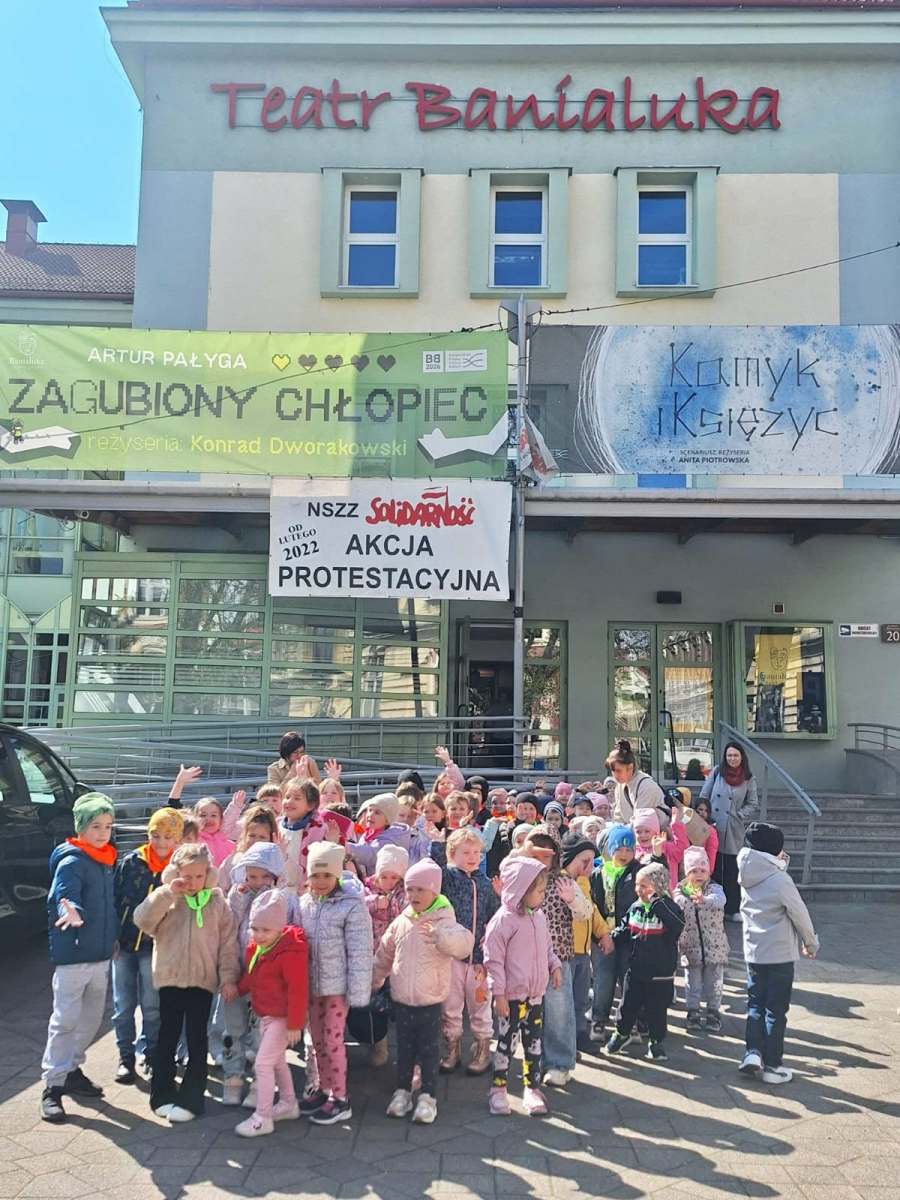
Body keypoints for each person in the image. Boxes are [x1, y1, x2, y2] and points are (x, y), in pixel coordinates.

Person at [134, 842, 240, 1122]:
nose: (192, 882)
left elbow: (228, 945)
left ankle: (192, 1098)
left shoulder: (217, 903)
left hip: (202, 982)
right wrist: (167, 893)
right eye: (186, 875)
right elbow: (142, 920)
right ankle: (162, 1094)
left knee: (196, 1039)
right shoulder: (168, 897)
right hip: (169, 979)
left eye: (198, 876)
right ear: (175, 873)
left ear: (208, 874)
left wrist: (228, 977)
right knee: (167, 1036)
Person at [373, 858, 474, 1125]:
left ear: (434, 891)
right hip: (402, 1001)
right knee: (404, 1050)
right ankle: (403, 1092)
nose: (414, 895)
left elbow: (464, 943)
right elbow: (384, 953)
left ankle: (428, 1097)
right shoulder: (402, 921)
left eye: (421, 889)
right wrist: (374, 979)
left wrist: (442, 937)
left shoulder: (444, 920)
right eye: (410, 889)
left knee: (428, 1051)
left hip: (430, 1000)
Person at [40, 793, 117, 1124]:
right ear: (81, 827)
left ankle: (71, 1070)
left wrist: (114, 936)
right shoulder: (72, 861)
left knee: (91, 1019)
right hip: (73, 956)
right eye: (96, 826)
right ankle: (52, 1086)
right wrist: (69, 910)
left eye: (108, 826)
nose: (102, 833)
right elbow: (65, 895)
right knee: (65, 1020)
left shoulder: (106, 859)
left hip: (100, 955)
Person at [297, 842, 373, 1125]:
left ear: (337, 875)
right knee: (316, 1041)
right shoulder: (304, 903)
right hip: (312, 986)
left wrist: (358, 990)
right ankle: (324, 1088)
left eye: (326, 875)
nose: (320, 881)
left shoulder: (351, 905)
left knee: (332, 1041)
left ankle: (341, 1098)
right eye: (315, 875)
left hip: (337, 989)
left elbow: (360, 950)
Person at [738, 822, 819, 1085]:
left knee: (755, 1005)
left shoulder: (746, 873)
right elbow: (799, 913)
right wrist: (810, 942)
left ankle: (752, 1052)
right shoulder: (779, 879)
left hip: (754, 951)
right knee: (775, 1010)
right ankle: (773, 1066)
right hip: (780, 954)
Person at [483, 856, 561, 1117]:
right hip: (512, 997)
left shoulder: (539, 917)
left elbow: (547, 947)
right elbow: (493, 961)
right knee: (506, 1044)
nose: (542, 896)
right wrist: (498, 994)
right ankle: (498, 1089)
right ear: (521, 890)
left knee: (533, 1043)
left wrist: (554, 965)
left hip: (535, 995)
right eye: (539, 891)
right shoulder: (503, 921)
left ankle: (532, 1088)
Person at [112, 805, 184, 1084]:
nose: (161, 842)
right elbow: (115, 899)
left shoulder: (178, 869)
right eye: (156, 835)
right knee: (123, 1005)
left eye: (168, 837)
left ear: (177, 839)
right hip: (125, 944)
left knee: (152, 1006)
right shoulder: (132, 861)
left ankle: (152, 1053)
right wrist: (113, 937)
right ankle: (125, 1057)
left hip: (156, 948)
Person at [234, 890, 308, 1137]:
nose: (259, 935)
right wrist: (237, 989)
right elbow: (251, 976)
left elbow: (298, 990)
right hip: (266, 1015)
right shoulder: (257, 948)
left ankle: (262, 1117)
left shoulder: (291, 952)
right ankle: (288, 1103)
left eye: (266, 930)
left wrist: (295, 1024)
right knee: (276, 1062)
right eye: (255, 928)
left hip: (282, 1018)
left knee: (263, 1063)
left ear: (279, 928)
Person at [223, 840, 290, 1105]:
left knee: (261, 1033)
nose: (258, 882)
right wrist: (228, 977)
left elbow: (288, 941)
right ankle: (232, 1076)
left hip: (266, 982)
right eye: (252, 876)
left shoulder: (283, 901)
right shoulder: (236, 896)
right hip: (237, 975)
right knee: (233, 1029)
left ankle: (260, 1084)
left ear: (275, 877)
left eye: (265, 877)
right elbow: (227, 935)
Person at [430, 827, 499, 1076]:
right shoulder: (448, 878)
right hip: (452, 957)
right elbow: (435, 870)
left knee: (480, 1004)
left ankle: (482, 1049)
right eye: (466, 852)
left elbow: (493, 916)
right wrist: (438, 843)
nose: (472, 857)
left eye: (476, 852)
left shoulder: (485, 884)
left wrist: (488, 948)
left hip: (479, 959)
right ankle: (452, 1049)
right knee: (451, 1005)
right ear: (452, 854)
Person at [528, 830, 593, 1088]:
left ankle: (559, 1064)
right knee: (531, 1011)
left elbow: (585, 913)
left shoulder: (563, 880)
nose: (542, 860)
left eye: (547, 855)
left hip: (558, 956)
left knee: (558, 1011)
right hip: (527, 956)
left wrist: (573, 899)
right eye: (536, 854)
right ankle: (534, 1059)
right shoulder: (522, 878)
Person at [604, 861, 685, 1063]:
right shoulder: (636, 907)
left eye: (644, 886)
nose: (639, 890)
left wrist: (657, 903)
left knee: (656, 1009)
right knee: (627, 1004)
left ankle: (656, 1041)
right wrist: (612, 937)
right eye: (637, 885)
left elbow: (677, 925)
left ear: (658, 887)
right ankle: (622, 1033)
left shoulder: (669, 907)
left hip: (660, 972)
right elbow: (625, 928)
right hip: (636, 968)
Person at [588, 825, 640, 1043]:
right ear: (610, 849)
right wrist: (601, 935)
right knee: (603, 979)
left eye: (629, 849)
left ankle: (629, 1023)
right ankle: (599, 1020)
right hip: (603, 936)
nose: (624, 854)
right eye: (619, 849)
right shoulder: (598, 873)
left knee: (629, 981)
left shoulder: (638, 873)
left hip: (629, 937)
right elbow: (593, 905)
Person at [700, 742, 759, 920]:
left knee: (733, 869)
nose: (732, 759)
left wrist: (739, 814)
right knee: (714, 866)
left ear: (742, 757)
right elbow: (704, 795)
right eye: (729, 755)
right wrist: (705, 816)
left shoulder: (748, 778)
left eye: (735, 755)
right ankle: (712, 907)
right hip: (714, 825)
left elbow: (753, 803)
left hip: (733, 828)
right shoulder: (718, 772)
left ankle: (732, 908)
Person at [363, 844, 409, 1067]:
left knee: (399, 1004)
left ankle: (407, 1048)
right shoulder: (366, 889)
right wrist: (375, 903)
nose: (389, 882)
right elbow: (357, 906)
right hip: (373, 955)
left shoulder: (403, 893)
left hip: (397, 958)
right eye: (385, 876)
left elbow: (409, 911)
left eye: (394, 878)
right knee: (374, 1003)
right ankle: (379, 1043)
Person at [673, 846, 728, 1032]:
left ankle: (713, 1011)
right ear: (686, 872)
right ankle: (693, 1011)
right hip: (691, 946)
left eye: (703, 870)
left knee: (714, 983)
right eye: (694, 871)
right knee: (692, 983)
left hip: (715, 946)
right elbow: (676, 903)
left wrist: (705, 900)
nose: (699, 874)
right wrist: (686, 898)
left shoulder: (715, 888)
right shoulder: (680, 891)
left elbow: (720, 900)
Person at [560, 834, 606, 1053]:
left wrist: (603, 933)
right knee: (564, 1000)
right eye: (584, 861)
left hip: (583, 951)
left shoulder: (585, 882)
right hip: (565, 952)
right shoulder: (562, 882)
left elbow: (591, 910)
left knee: (580, 998)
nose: (589, 866)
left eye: (591, 861)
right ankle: (564, 1039)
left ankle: (579, 1033)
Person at [347, 792, 427, 876]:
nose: (370, 815)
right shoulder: (369, 834)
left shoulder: (392, 838)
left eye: (377, 813)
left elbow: (370, 855)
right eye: (370, 810)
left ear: (387, 820)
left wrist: (345, 846)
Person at [219, 803, 281, 893]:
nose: (256, 841)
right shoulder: (233, 861)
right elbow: (221, 889)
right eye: (252, 835)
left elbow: (285, 884)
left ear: (270, 838)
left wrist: (280, 855)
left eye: (262, 837)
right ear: (244, 835)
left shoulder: (276, 861)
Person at [280, 780, 328, 893]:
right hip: (279, 890)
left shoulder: (318, 829)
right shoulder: (276, 825)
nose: (289, 801)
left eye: (297, 798)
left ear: (310, 805)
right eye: (287, 797)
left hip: (306, 892)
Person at [607, 739, 665, 825]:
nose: (615, 775)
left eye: (619, 771)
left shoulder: (647, 786)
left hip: (655, 830)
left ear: (630, 767)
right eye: (613, 770)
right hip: (631, 829)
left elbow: (640, 821)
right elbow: (618, 817)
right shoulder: (620, 785)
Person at [632, 807, 690, 890]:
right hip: (643, 895)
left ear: (656, 831)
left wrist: (676, 825)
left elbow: (683, 848)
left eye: (647, 831)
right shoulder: (634, 851)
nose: (643, 835)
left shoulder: (665, 847)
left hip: (666, 894)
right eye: (638, 832)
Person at [194, 797, 235, 868]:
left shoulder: (230, 846)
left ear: (221, 820)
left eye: (213, 815)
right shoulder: (193, 841)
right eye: (203, 815)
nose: (208, 818)